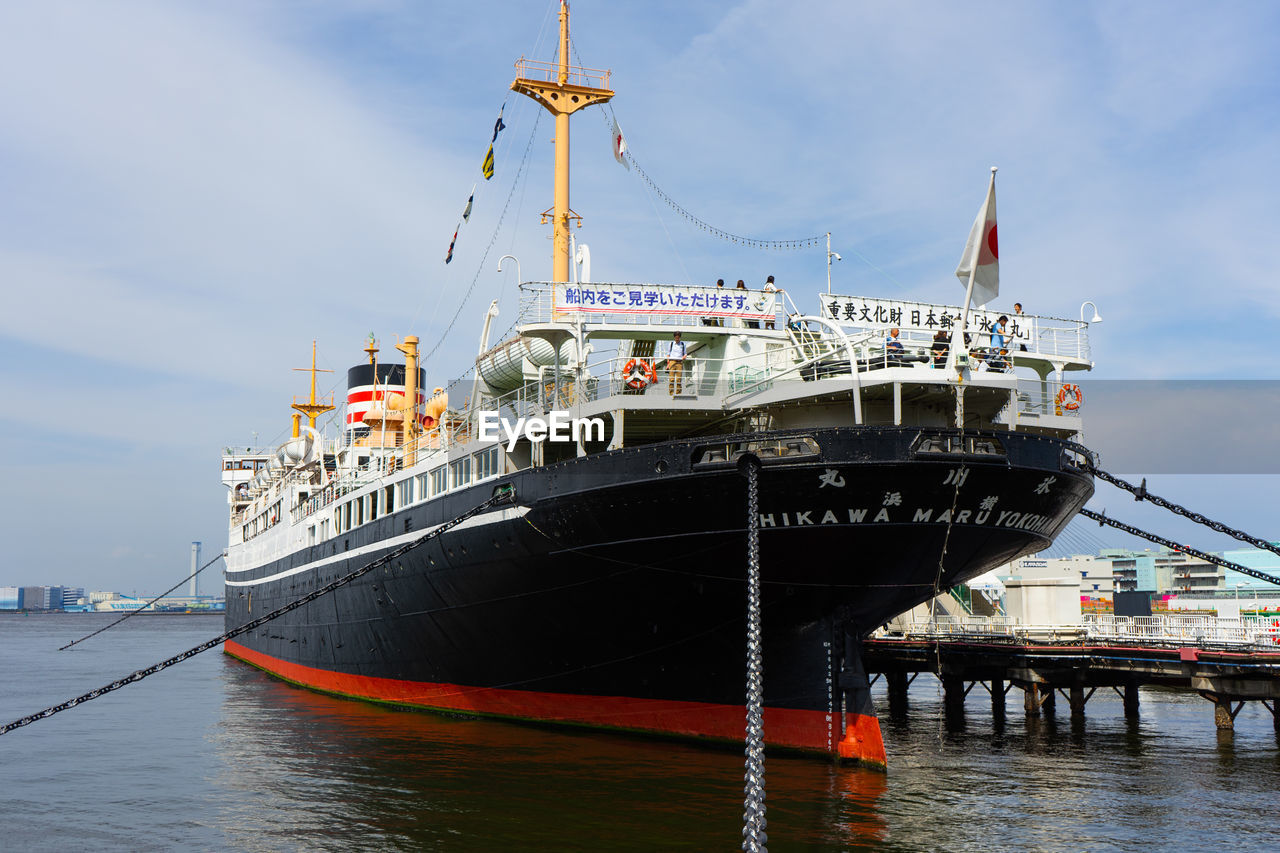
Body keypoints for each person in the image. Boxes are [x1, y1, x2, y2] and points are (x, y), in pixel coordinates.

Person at [666, 331, 687, 395]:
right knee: (671, 379)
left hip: (679, 362)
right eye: (676, 337)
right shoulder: (671, 344)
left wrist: (684, 356)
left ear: (679, 337)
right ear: (674, 337)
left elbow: (685, 353)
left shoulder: (683, 344)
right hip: (672, 361)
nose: (677, 339)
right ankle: (671, 393)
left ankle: (678, 393)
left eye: (678, 337)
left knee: (679, 379)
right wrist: (668, 364)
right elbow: (668, 354)